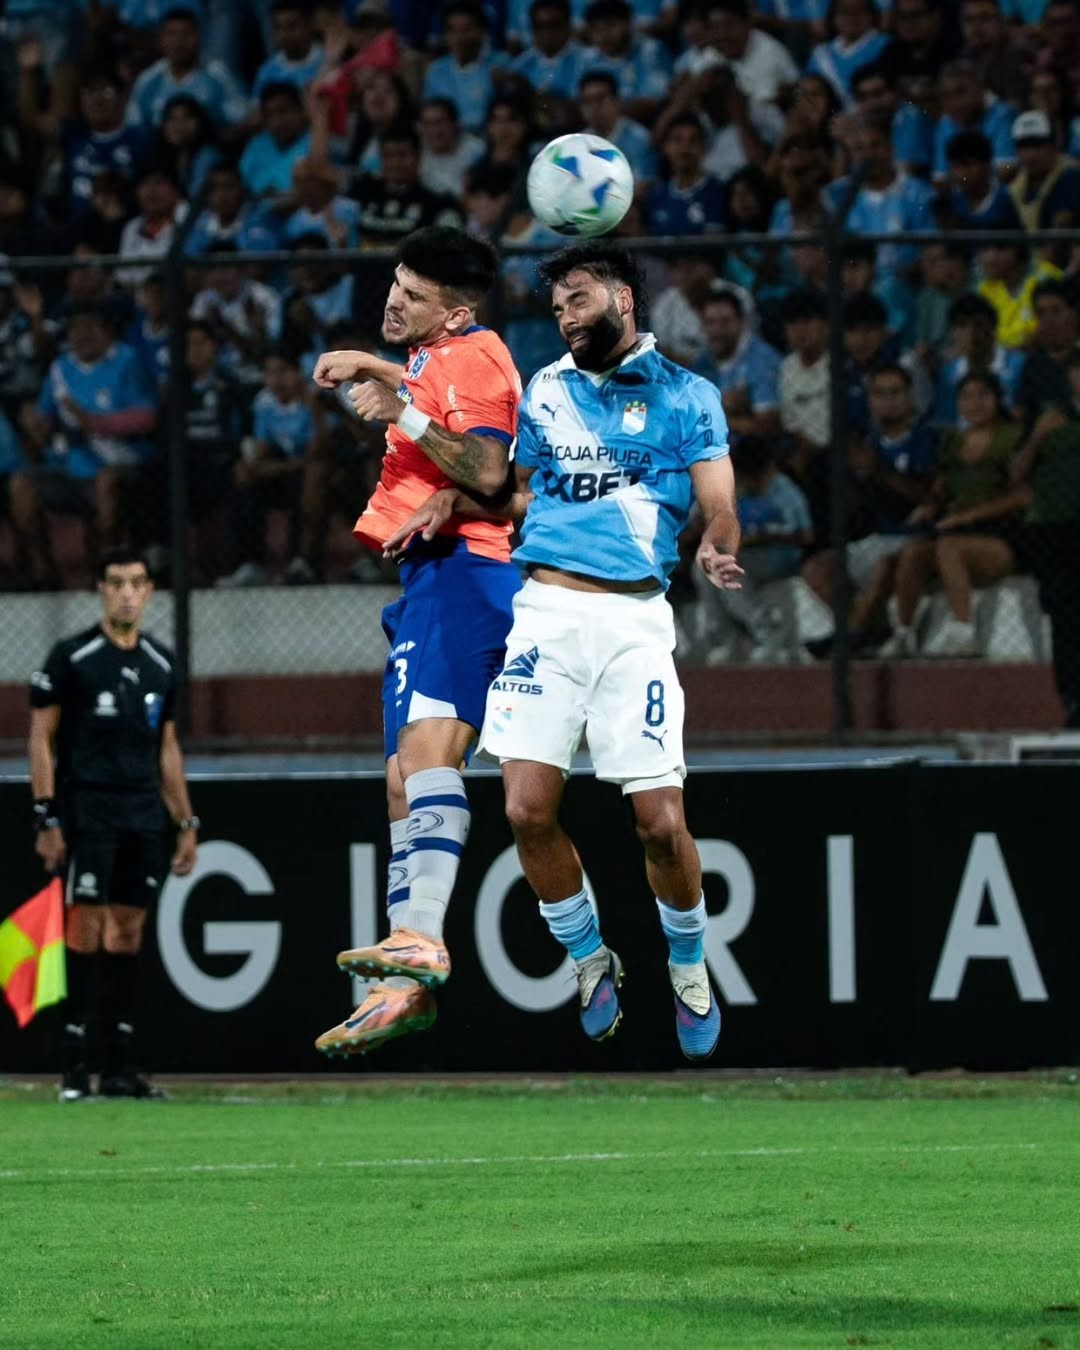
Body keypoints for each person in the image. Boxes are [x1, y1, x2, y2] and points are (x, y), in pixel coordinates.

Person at [388, 243, 743, 1060]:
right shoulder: (546, 389)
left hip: (633, 624)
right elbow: (518, 491)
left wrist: (718, 545)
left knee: (659, 824)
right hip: (543, 613)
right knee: (524, 810)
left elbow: (720, 503)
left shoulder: (688, 397)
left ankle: (687, 960)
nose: (566, 315)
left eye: (578, 299)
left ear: (622, 297)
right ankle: (591, 960)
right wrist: (453, 494)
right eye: (556, 306)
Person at [311, 227, 521, 1058]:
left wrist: (395, 403)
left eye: (414, 294)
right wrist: (378, 366)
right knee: (403, 776)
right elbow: (437, 394)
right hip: (428, 579)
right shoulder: (444, 357)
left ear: (456, 312)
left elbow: (490, 470)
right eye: (396, 282)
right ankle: (406, 981)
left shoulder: (481, 358)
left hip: (468, 572)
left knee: (431, 754)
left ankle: (424, 942)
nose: (394, 298)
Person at [28, 546, 198, 1101]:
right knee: (85, 928)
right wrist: (46, 815)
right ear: (100, 589)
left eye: (137, 583)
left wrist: (186, 820)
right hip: (89, 811)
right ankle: (74, 1064)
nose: (127, 592)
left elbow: (167, 750)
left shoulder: (162, 662)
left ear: (149, 591)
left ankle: (121, 1066)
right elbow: (41, 740)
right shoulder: (72, 658)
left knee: (128, 931)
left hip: (144, 814)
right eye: (116, 581)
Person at [879, 372, 1027, 658]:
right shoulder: (953, 443)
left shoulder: (1012, 439)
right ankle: (903, 633)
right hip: (953, 529)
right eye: (966, 397)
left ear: (997, 400)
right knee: (914, 552)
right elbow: (941, 488)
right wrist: (931, 506)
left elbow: (1022, 496)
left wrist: (969, 516)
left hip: (999, 536)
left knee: (949, 547)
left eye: (982, 395)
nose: (974, 403)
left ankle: (963, 630)